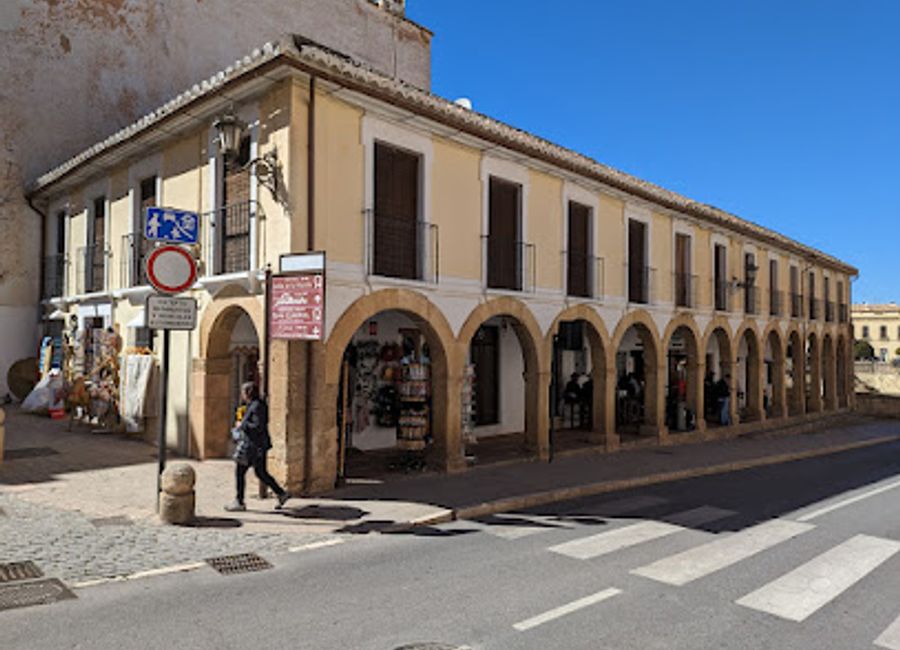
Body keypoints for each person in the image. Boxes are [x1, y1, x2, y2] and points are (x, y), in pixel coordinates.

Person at [225, 382, 290, 512]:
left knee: (240, 471)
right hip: (256, 445)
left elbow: (257, 426)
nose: (242, 395)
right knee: (261, 472)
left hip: (253, 446)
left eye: (244, 392)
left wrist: (242, 426)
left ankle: (239, 501)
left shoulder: (257, 406)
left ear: (248, 393)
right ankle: (281, 493)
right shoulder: (254, 405)